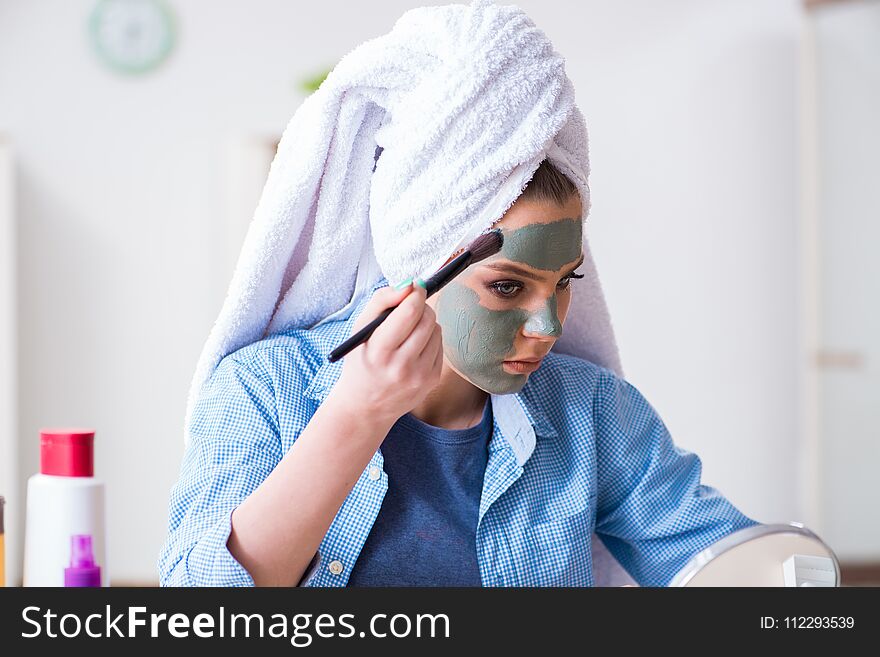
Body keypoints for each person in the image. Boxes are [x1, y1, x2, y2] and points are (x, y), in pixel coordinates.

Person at [158, 159, 760, 587]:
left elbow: (726, 564)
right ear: (416, 268)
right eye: (506, 285)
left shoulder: (594, 412)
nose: (547, 326)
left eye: (565, 281)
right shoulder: (262, 386)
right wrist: (356, 414)